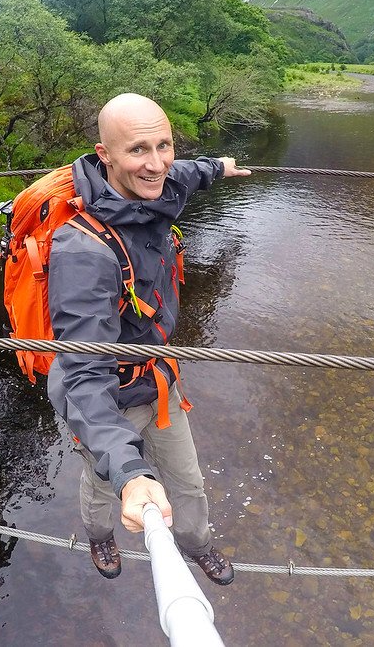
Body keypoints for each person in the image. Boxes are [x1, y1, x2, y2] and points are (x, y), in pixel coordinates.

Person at [46, 93, 250, 584]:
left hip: (158, 381)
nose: (156, 163)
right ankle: (101, 537)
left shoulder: (155, 184)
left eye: (165, 145)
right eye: (139, 149)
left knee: (187, 482)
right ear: (105, 155)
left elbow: (182, 173)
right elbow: (84, 378)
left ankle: (197, 544)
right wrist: (130, 471)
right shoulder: (83, 251)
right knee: (108, 483)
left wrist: (217, 167)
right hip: (104, 397)